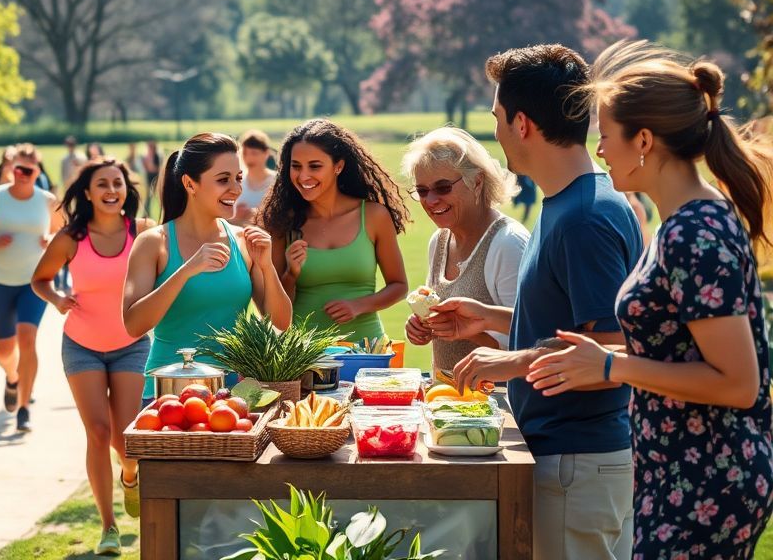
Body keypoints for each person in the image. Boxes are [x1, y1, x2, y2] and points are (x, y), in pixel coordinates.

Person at [525, 41, 773, 559]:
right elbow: (674, 348)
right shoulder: (677, 223)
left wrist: (611, 365)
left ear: (643, 140)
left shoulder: (694, 233)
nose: (599, 151)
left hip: (707, 481)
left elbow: (738, 382)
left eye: (605, 136)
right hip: (678, 471)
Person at [427, 44, 643, 560]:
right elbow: (572, 322)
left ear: (521, 124)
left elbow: (612, 346)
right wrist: (491, 317)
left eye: (497, 117)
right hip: (570, 458)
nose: (496, 131)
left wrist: (512, 361)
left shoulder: (584, 217)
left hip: (577, 461)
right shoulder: (568, 203)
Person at [31, 158, 154, 556]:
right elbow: (39, 279)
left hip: (131, 344)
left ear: (126, 189)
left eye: (117, 183)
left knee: (126, 439)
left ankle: (130, 475)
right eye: (102, 184)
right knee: (98, 433)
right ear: (87, 193)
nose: (111, 190)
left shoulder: (143, 231)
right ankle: (108, 527)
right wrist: (56, 298)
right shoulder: (72, 237)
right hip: (81, 344)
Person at [123, 133, 292, 401]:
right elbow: (134, 325)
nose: (236, 189)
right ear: (190, 184)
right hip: (169, 394)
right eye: (223, 180)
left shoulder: (243, 240)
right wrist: (186, 270)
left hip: (233, 392)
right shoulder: (154, 243)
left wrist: (267, 267)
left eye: (238, 178)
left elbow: (281, 322)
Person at [257, 119, 408, 343]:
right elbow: (272, 311)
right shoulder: (282, 223)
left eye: (315, 166)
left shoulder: (374, 216)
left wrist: (358, 306)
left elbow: (399, 286)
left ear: (338, 166)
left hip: (366, 350)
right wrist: (291, 274)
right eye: (296, 166)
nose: (303, 176)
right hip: (303, 353)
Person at [399, 127, 530, 376]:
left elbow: (529, 341)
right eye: (422, 191)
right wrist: (424, 325)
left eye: (443, 187)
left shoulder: (507, 242)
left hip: (497, 397)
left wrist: (465, 330)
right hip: (447, 394)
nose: (430, 200)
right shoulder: (439, 240)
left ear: (477, 181)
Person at [0, 143, 61, 432]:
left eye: (28, 171)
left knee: (27, 340)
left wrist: (50, 240)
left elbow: (63, 234)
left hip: (34, 282)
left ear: (37, 172)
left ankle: (23, 408)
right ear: (10, 168)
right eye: (17, 169)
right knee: (4, 350)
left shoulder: (48, 201)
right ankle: (12, 377)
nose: (21, 175)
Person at [232, 129, 274, 226]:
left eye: (254, 153)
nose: (249, 158)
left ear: (266, 153)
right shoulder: (235, 182)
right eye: (245, 153)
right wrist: (235, 217)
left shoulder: (278, 182)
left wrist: (255, 215)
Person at [142, 140, 161, 216]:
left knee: (157, 197)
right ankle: (146, 213)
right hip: (149, 179)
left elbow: (156, 168)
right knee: (148, 198)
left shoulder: (157, 156)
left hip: (155, 179)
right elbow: (147, 168)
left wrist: (150, 166)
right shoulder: (147, 156)